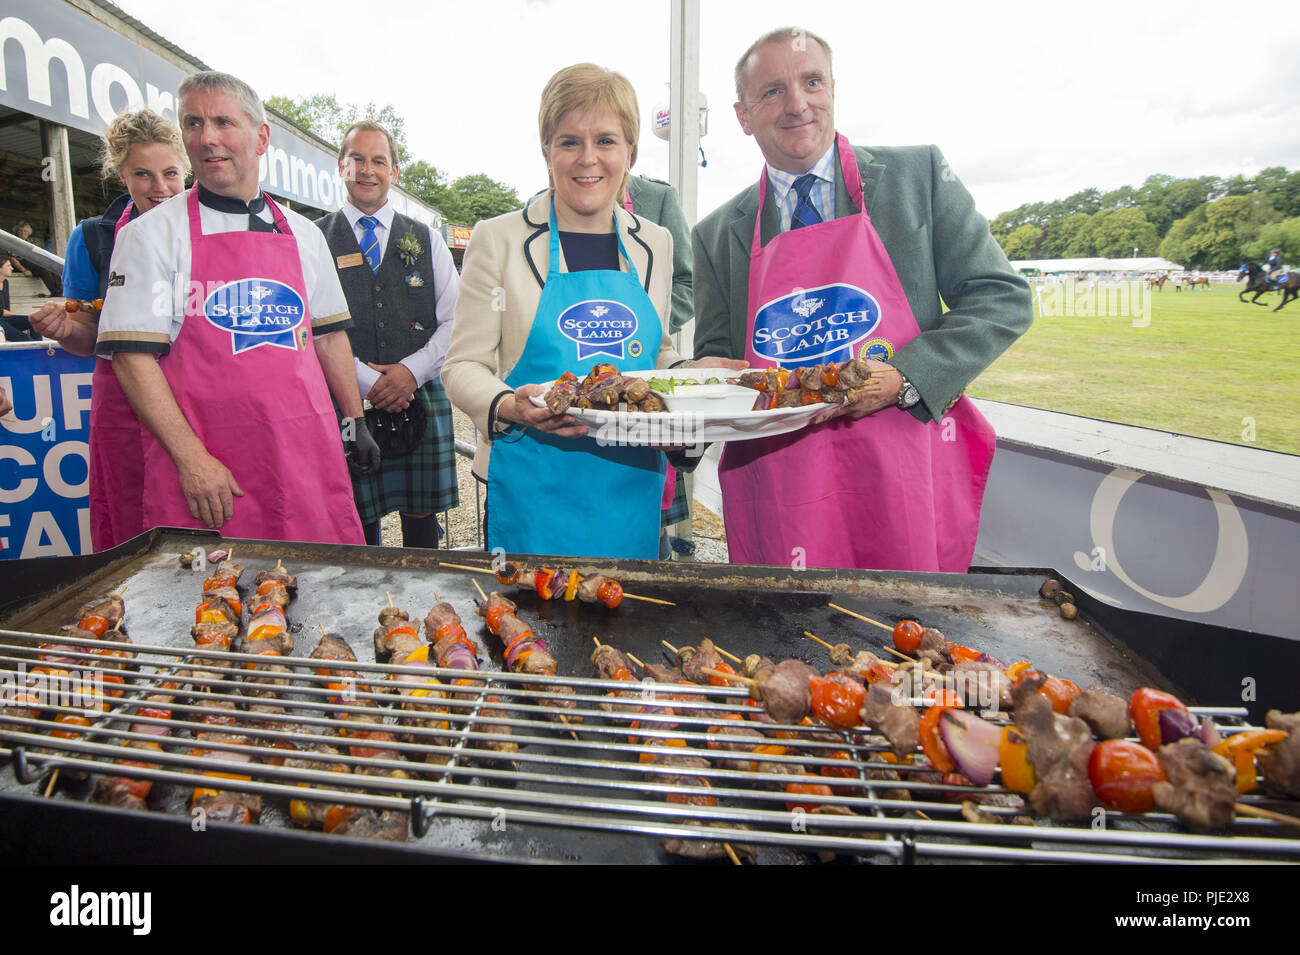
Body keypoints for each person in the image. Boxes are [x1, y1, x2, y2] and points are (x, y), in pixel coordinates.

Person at [692, 27, 1033, 571]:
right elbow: (718, 355)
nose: (797, 104)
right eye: (773, 91)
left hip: (901, 461)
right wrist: (696, 381)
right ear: (742, 115)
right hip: (783, 482)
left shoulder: (916, 176)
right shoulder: (716, 234)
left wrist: (906, 378)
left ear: (832, 90)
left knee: (904, 636)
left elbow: (1001, 297)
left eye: (811, 82)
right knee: (787, 635)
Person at [441, 63, 741, 560]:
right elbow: (462, 365)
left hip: (629, 488)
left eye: (605, 140)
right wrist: (512, 406)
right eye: (568, 142)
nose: (588, 160)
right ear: (546, 152)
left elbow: (656, 354)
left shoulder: (655, 244)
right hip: (532, 483)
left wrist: (693, 379)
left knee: (625, 628)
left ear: (630, 153)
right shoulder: (500, 238)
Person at [95, 71, 378, 543]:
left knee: (319, 594)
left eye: (223, 122)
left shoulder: (304, 234)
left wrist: (355, 421)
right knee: (208, 607)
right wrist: (193, 461)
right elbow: (131, 359)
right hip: (210, 470)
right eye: (193, 123)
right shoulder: (148, 235)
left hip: (303, 458)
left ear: (261, 137)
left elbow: (329, 336)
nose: (207, 139)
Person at [29, 108, 188, 550]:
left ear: (186, 170)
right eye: (143, 174)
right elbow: (88, 335)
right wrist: (65, 328)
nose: (160, 188)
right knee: (126, 510)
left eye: (171, 173)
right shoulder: (92, 238)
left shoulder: (214, 231)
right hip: (123, 399)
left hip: (196, 391)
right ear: (121, 174)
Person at [316, 121, 459, 548]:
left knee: (422, 525)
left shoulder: (427, 238)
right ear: (340, 166)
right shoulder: (313, 238)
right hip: (346, 401)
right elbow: (308, 328)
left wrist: (409, 374)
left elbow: (456, 320)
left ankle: (429, 604)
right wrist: (368, 381)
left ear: (394, 171)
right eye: (356, 159)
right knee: (358, 519)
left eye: (378, 161)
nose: (367, 170)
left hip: (420, 394)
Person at [7, 222, 62, 297]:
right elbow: (13, 260)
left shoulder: (32, 242)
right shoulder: (13, 242)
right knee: (43, 269)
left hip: (34, 264)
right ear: (17, 232)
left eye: (25, 231)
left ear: (28, 233)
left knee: (51, 266)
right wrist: (24, 270)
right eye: (20, 231)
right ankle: (55, 292)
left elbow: (39, 254)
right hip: (22, 265)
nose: (23, 233)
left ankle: (61, 290)